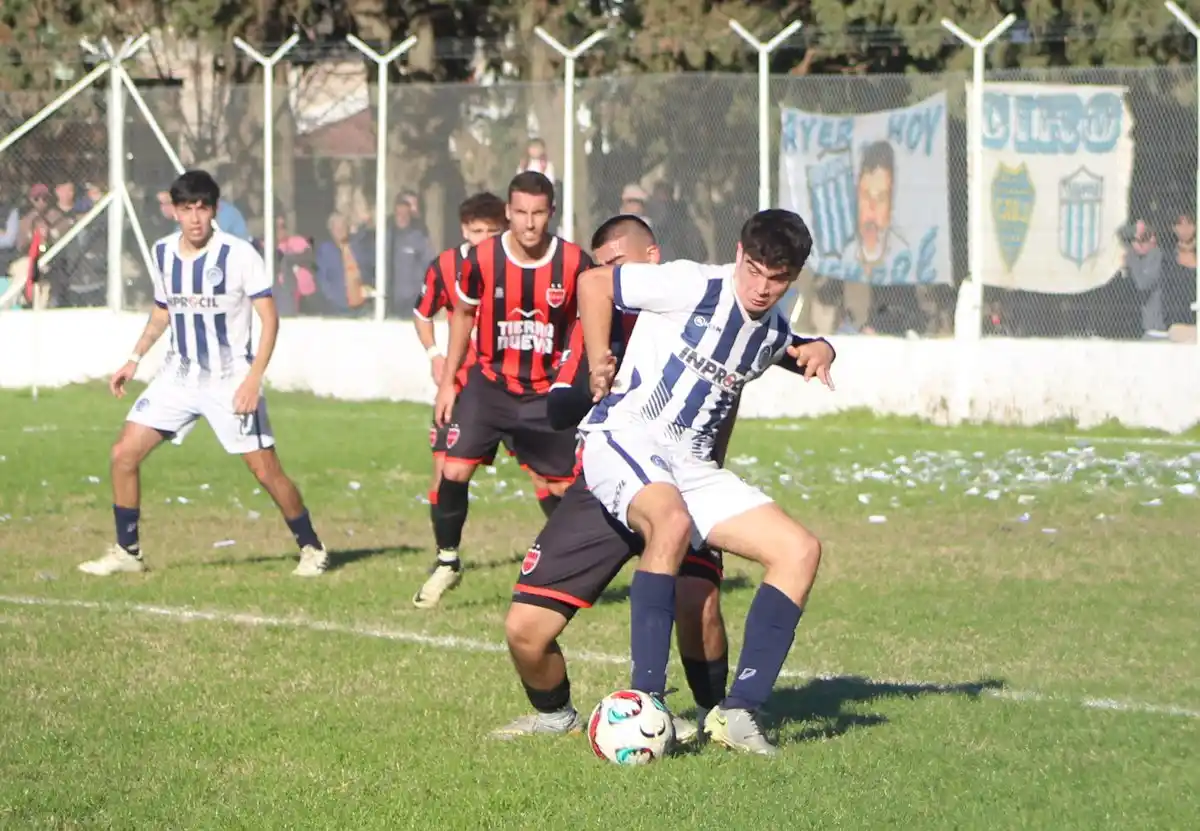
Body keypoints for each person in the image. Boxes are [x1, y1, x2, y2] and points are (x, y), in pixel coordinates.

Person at [576, 208, 836, 756]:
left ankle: (737, 713)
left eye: (777, 279)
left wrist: (823, 348)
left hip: (693, 468)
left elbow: (790, 347)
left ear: (793, 278)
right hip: (626, 435)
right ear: (739, 254)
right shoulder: (691, 284)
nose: (761, 288)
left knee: (799, 550)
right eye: (754, 270)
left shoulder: (772, 330)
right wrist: (599, 358)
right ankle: (646, 701)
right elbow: (595, 282)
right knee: (670, 522)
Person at [494, 214, 733, 746]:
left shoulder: (701, 311)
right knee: (525, 630)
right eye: (601, 268)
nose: (609, 278)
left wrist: (812, 346)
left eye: (617, 265)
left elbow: (760, 342)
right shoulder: (599, 324)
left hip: (680, 479)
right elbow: (559, 408)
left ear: (652, 258)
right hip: (607, 482)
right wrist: (593, 384)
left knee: (698, 601)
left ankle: (716, 718)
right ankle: (556, 716)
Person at [77, 170, 330, 578]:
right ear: (174, 211)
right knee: (123, 454)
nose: (195, 218)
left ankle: (312, 547)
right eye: (186, 208)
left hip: (230, 381)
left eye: (202, 208)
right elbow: (162, 312)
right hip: (178, 377)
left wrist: (253, 380)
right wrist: (134, 358)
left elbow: (270, 319)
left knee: (265, 470)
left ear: (214, 210)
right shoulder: (163, 252)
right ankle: (128, 551)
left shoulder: (239, 254)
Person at [418, 171, 588, 609]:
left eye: (538, 213)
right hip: (489, 386)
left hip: (545, 393)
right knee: (453, 470)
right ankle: (447, 561)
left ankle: (572, 571)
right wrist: (448, 382)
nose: (529, 223)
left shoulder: (574, 262)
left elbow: (590, 320)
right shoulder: (483, 258)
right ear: (508, 212)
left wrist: (585, 377)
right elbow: (462, 316)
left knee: (562, 490)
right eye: (521, 213)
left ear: (551, 213)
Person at [413, 192, 549, 539]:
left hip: (515, 386)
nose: (484, 239)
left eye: (492, 232)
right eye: (477, 232)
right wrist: (435, 355)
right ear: (464, 230)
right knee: (446, 470)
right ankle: (446, 556)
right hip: (462, 386)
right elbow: (422, 314)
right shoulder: (446, 265)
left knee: (545, 476)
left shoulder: (523, 264)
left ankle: (564, 550)